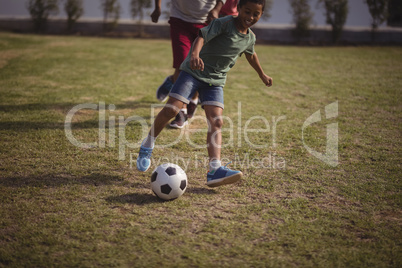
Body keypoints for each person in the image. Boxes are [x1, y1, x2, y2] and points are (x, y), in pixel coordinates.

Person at [138, 0, 273, 188]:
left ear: (261, 15)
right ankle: (147, 145)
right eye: (247, 11)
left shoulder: (249, 37)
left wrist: (262, 74)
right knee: (171, 110)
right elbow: (201, 35)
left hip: (215, 81)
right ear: (239, 9)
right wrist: (194, 54)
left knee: (216, 121)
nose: (250, 17)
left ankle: (214, 170)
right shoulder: (225, 23)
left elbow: (251, 54)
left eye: (255, 14)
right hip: (192, 72)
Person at [151, 0, 226, 129]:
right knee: (181, 65)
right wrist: (158, 8)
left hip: (206, 21)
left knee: (199, 65)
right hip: (180, 19)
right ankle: (182, 112)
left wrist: (216, 9)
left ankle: (192, 99)